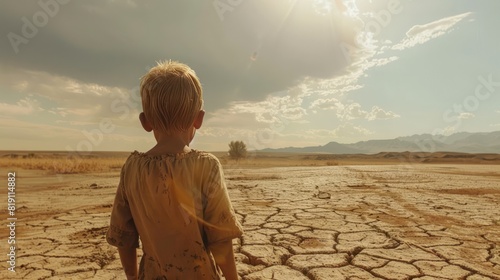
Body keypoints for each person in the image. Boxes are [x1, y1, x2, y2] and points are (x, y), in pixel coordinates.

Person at [106, 61, 243, 280]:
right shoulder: (206, 166)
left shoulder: (132, 169)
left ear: (145, 122)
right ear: (199, 119)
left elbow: (124, 237)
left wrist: (132, 277)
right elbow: (220, 237)